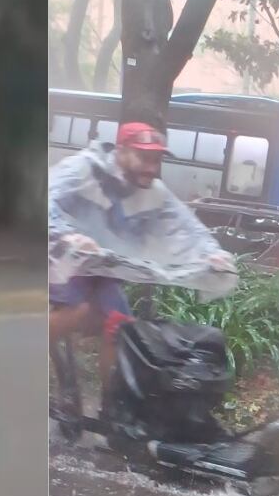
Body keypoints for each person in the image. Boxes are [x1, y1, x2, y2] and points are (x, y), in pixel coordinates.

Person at [47, 121, 234, 349]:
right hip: (55, 259)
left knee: (122, 329)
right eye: (143, 158)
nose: (151, 168)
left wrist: (211, 254)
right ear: (121, 151)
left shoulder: (153, 192)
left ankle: (115, 386)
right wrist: (68, 237)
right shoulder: (83, 169)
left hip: (98, 269)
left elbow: (186, 225)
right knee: (76, 310)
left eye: (156, 160)